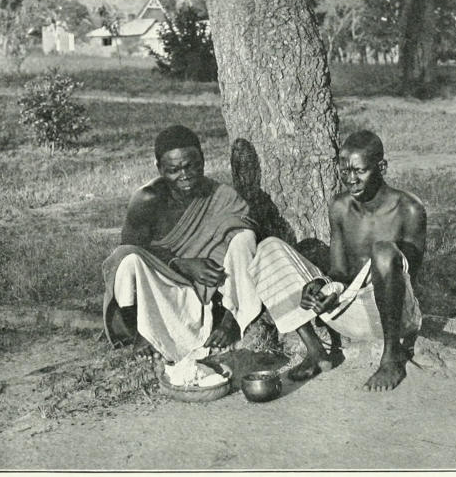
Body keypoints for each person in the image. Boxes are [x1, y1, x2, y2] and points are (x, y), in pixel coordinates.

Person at [249, 130, 426, 391]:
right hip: (349, 311)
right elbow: (340, 271)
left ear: (382, 167)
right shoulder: (341, 207)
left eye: (360, 171)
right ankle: (315, 351)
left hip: (395, 319)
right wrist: (324, 288)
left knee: (384, 251)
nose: (351, 180)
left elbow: (408, 278)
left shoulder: (409, 209)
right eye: (345, 172)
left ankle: (391, 358)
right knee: (269, 248)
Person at [102, 125, 262, 363]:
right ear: (159, 168)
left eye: (191, 166)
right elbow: (130, 254)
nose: (184, 175)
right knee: (127, 260)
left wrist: (204, 270)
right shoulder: (147, 200)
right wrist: (181, 264)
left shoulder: (222, 197)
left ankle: (231, 322)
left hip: (210, 288)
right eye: (173, 170)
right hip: (163, 286)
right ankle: (140, 333)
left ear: (203, 160)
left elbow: (241, 248)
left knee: (244, 238)